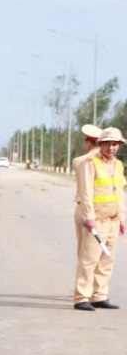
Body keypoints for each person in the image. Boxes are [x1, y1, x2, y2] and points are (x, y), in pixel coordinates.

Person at [72, 127, 126, 311]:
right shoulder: (90, 163)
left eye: (115, 144)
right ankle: (81, 297)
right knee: (89, 259)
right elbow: (85, 192)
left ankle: (99, 295)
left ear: (119, 145)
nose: (111, 147)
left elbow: (119, 193)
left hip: (112, 219)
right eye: (107, 143)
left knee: (106, 259)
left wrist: (122, 218)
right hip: (96, 219)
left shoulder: (118, 165)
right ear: (100, 144)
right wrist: (89, 216)